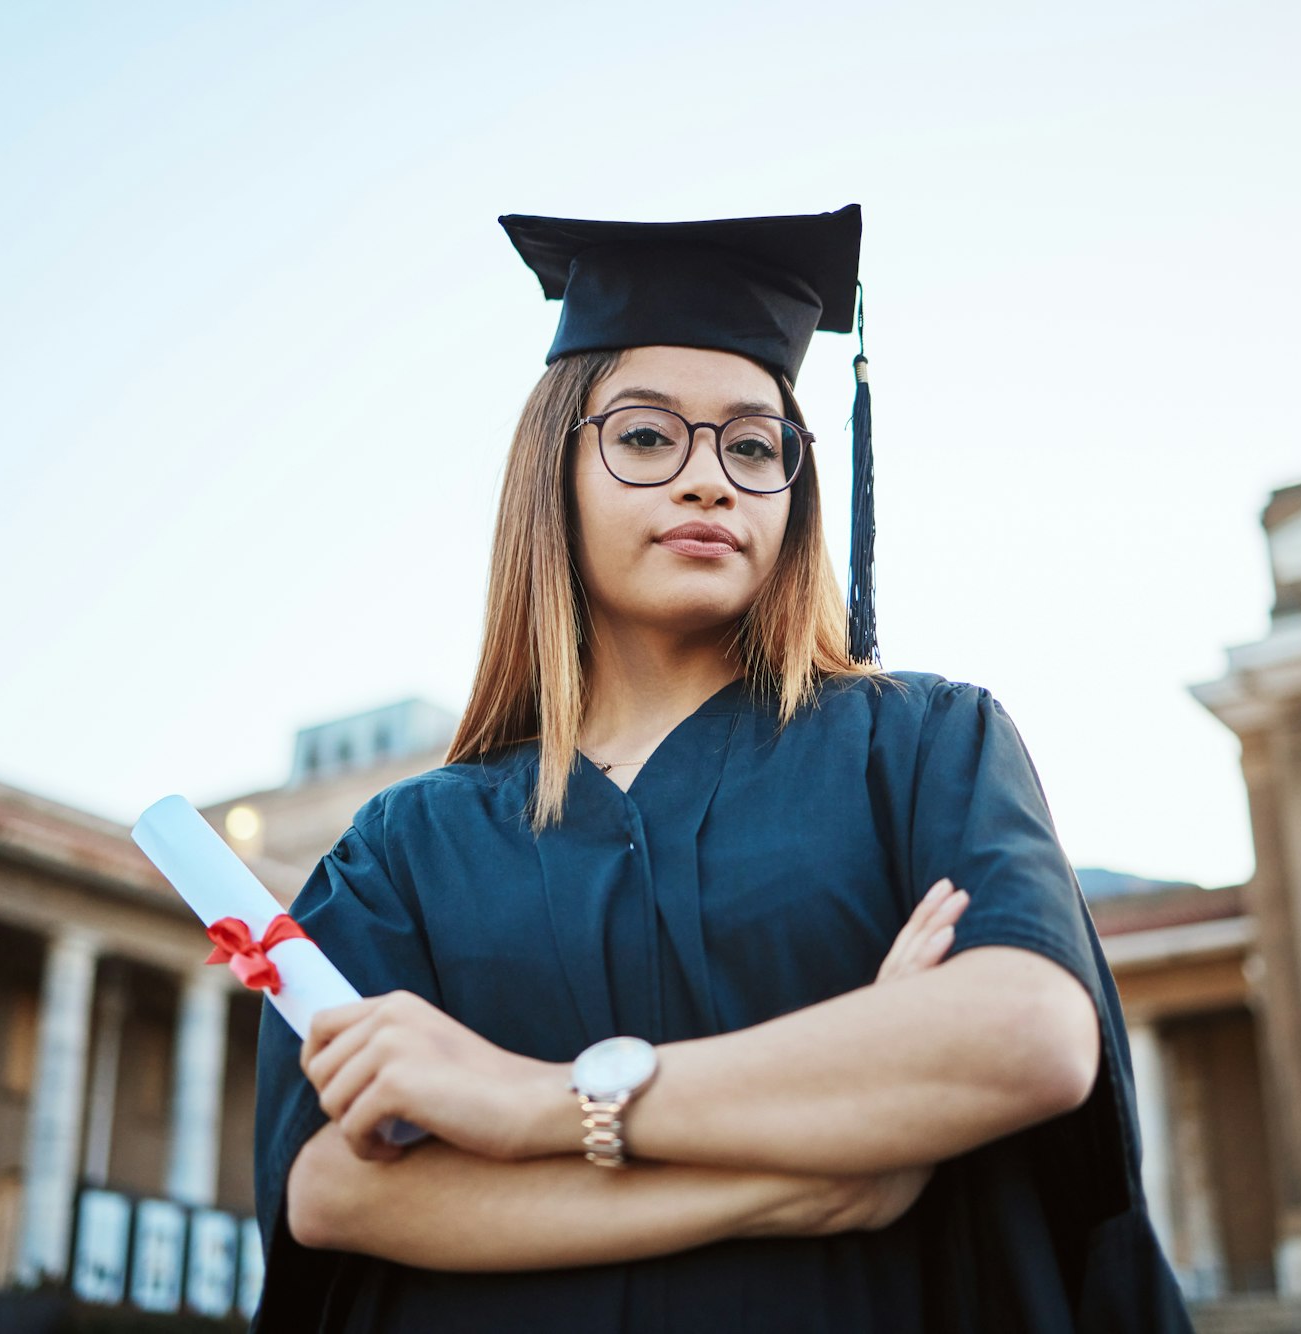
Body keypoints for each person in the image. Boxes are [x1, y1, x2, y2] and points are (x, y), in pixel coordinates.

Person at [249, 205, 1194, 1332]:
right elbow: (336, 1187)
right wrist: (800, 1176)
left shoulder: (920, 746)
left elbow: (1025, 1035)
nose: (709, 480)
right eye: (646, 437)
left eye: (752, 445)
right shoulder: (405, 848)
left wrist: (530, 1102)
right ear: (551, 472)